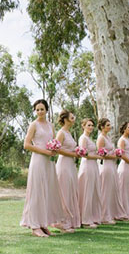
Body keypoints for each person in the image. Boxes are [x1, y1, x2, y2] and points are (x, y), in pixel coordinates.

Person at [20, 99, 71, 237]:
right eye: (37, 109)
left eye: (42, 109)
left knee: (47, 192)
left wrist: (54, 150)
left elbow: (54, 142)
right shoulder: (33, 125)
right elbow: (27, 144)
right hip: (38, 160)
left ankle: (43, 224)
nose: (40, 112)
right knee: (37, 192)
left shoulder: (51, 126)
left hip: (49, 162)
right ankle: (35, 226)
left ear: (47, 110)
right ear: (35, 111)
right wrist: (45, 151)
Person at [55, 110, 81, 232]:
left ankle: (70, 221)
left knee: (71, 192)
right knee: (64, 193)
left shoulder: (69, 133)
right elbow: (57, 149)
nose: (74, 118)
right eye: (72, 117)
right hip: (64, 164)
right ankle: (62, 223)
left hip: (71, 164)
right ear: (65, 119)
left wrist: (77, 153)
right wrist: (73, 154)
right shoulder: (61, 133)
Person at [96, 118, 125, 224]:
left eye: (110, 125)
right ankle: (104, 216)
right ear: (102, 127)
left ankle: (112, 213)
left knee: (112, 189)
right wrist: (113, 156)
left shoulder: (107, 137)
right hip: (105, 166)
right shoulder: (101, 138)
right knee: (105, 190)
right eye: (108, 125)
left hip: (112, 165)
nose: (110, 127)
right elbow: (100, 154)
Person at [77, 118, 102, 228]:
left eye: (92, 125)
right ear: (83, 126)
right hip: (87, 165)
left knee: (93, 191)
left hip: (93, 166)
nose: (91, 127)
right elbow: (83, 154)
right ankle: (85, 220)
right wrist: (97, 156)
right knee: (87, 191)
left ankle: (92, 217)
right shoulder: (83, 138)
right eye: (89, 125)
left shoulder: (89, 138)